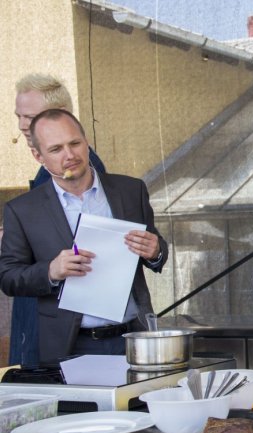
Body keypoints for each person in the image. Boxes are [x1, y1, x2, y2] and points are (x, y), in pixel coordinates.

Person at [0, 109, 167, 363]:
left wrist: (156, 251)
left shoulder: (131, 190)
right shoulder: (23, 210)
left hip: (134, 338)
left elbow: (156, 252)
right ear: (38, 156)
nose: (70, 155)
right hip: (70, 345)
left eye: (75, 143)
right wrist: (51, 271)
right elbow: (9, 277)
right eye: (56, 149)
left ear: (86, 142)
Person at [10, 73, 108, 366]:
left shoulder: (77, 172)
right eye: (19, 116)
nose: (22, 125)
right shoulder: (50, 173)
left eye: (30, 116)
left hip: (61, 326)